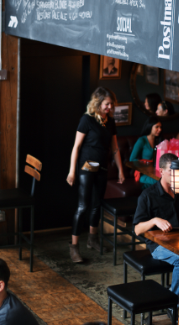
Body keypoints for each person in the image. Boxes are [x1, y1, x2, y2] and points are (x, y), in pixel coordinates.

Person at [66, 87, 124, 263]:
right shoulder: (87, 120)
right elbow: (76, 147)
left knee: (96, 205)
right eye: (107, 104)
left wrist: (121, 170)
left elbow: (114, 148)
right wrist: (71, 171)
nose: (110, 107)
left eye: (111, 104)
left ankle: (92, 239)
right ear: (98, 103)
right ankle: (74, 247)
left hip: (102, 168)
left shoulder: (110, 121)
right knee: (83, 206)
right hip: (86, 167)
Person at [133, 153, 179, 296]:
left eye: (177, 171)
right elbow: (137, 229)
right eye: (171, 172)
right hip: (158, 246)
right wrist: (154, 220)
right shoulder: (148, 195)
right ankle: (174, 302)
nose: (175, 175)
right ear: (161, 171)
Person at [130, 116, 161, 188]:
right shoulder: (142, 140)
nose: (159, 129)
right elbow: (132, 159)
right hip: (144, 174)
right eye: (157, 127)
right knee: (160, 181)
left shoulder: (159, 141)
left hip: (156, 172)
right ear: (150, 126)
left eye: (160, 127)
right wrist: (145, 163)